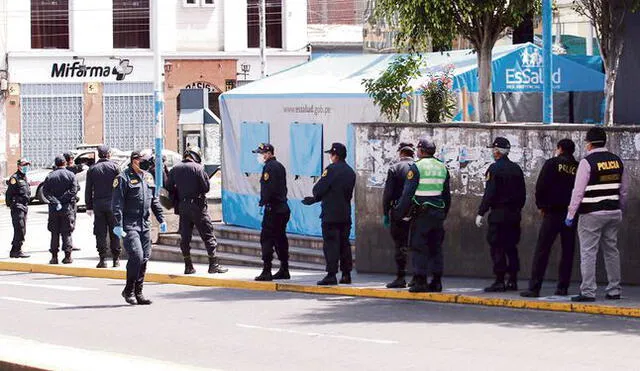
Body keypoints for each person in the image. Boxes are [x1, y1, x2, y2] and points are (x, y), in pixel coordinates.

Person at [566, 127, 627, 302]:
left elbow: (578, 192)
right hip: (613, 212)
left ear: (590, 144)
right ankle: (614, 289)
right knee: (611, 251)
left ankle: (588, 291)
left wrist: (571, 214)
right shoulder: (617, 161)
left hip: (591, 214)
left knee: (588, 252)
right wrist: (620, 208)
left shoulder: (587, 162)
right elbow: (624, 191)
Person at [521, 139, 578, 298]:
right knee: (567, 251)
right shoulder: (578, 167)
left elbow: (540, 186)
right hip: (570, 214)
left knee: (542, 250)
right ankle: (562, 287)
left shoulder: (552, 163)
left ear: (559, 149)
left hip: (552, 212)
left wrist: (542, 206)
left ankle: (534, 287)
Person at [392, 138, 450, 292]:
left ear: (421, 151)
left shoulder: (417, 167)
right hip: (438, 214)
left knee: (419, 247)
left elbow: (407, 194)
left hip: (422, 214)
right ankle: (436, 282)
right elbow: (446, 195)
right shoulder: (442, 167)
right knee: (436, 248)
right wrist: (444, 213)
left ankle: (421, 282)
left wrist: (399, 213)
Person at [112, 151, 167, 305]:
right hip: (129, 225)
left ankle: (139, 292)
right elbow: (117, 204)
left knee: (144, 258)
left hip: (144, 225)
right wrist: (118, 224)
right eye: (141, 160)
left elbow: (154, 200)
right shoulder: (123, 178)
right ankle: (128, 290)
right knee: (136, 256)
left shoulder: (148, 177)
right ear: (134, 161)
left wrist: (161, 219)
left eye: (146, 161)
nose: (144, 163)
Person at [165, 146, 227, 275]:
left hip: (183, 207)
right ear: (196, 156)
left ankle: (188, 266)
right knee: (208, 235)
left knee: (185, 237)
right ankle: (213, 265)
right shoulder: (198, 168)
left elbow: (168, 187)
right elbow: (206, 188)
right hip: (198, 207)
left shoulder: (175, 169)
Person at [475, 137, 526, 292]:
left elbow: (489, 193)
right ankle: (513, 280)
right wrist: (516, 210)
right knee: (511, 247)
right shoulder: (516, 169)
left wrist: (481, 212)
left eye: (493, 150)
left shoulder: (494, 169)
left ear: (497, 151)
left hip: (498, 215)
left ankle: (499, 280)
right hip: (514, 215)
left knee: (497, 247)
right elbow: (523, 195)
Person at [302, 143, 356, 286]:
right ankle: (346, 274)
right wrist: (315, 200)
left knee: (331, 244)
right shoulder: (351, 172)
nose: (330, 158)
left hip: (330, 214)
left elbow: (318, 189)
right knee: (344, 244)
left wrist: (315, 196)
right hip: (345, 213)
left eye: (331, 155)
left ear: (335, 155)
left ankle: (331, 274)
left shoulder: (331, 169)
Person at [252, 143, 291, 282]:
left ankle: (267, 270)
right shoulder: (280, 166)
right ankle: (284, 268)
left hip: (273, 209)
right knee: (280, 238)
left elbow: (269, 189)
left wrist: (263, 201)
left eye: (261, 153)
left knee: (267, 238)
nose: (260, 156)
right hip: (283, 208)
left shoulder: (269, 167)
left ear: (268, 153)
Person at [382, 142, 416, 288]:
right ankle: (417, 277)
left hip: (397, 212)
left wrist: (385, 213)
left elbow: (387, 194)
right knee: (416, 245)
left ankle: (401, 277)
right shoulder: (417, 167)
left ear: (400, 153)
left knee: (400, 245)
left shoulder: (394, 168)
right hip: (417, 211)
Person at [85, 145, 121, 268]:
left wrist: (88, 206)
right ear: (109, 154)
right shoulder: (115, 167)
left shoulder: (92, 169)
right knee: (115, 231)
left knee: (100, 232)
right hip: (113, 204)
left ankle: (103, 259)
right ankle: (116, 259)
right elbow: (121, 187)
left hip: (98, 205)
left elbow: (88, 189)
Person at [42, 155, 80, 265]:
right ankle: (68, 256)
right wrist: (63, 200)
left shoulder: (50, 176)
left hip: (54, 208)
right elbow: (74, 190)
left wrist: (56, 201)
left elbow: (46, 192)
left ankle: (54, 257)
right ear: (65, 163)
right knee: (66, 232)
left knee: (54, 233)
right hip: (67, 207)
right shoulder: (70, 175)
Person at [5, 158, 32, 258]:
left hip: (24, 206)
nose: (25, 167)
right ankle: (17, 250)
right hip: (17, 207)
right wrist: (11, 205)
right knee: (20, 229)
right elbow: (9, 193)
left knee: (22, 229)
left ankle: (14, 250)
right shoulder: (14, 178)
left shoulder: (24, 177)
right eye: (24, 165)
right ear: (19, 166)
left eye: (27, 165)